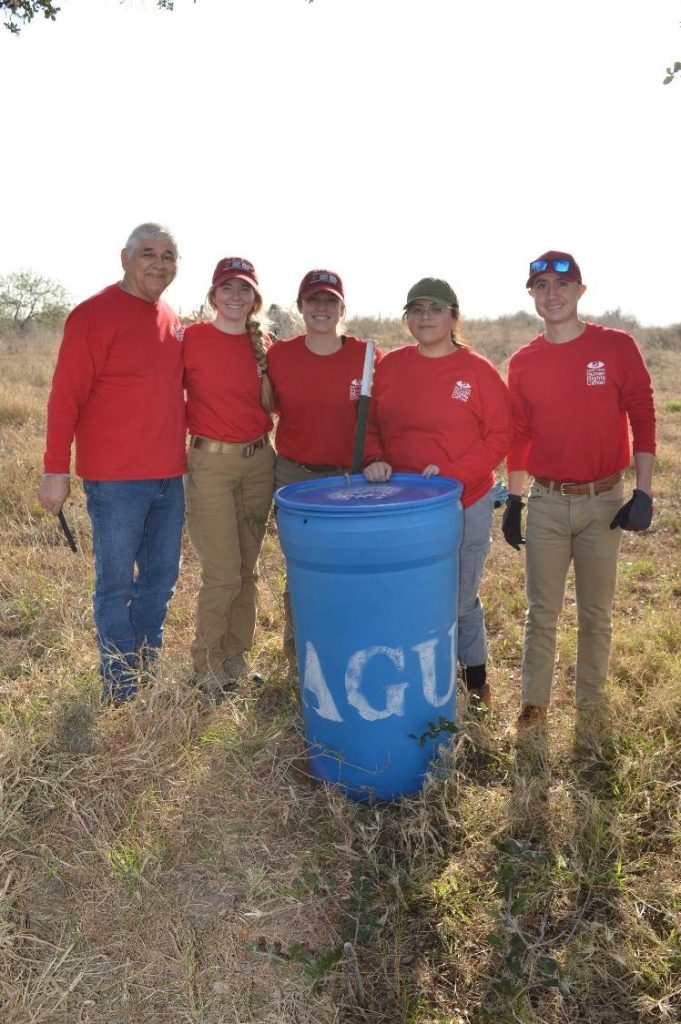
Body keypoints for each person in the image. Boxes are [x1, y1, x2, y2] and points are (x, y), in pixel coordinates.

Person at [503, 250, 656, 729]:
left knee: (596, 610)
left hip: (605, 501)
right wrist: (514, 498)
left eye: (562, 285)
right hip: (547, 500)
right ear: (531, 295)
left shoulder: (616, 346)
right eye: (541, 285)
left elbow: (643, 414)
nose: (553, 294)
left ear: (580, 291)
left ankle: (591, 703)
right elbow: (519, 434)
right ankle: (534, 704)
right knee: (541, 610)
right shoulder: (524, 362)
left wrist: (644, 492)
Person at [38, 223, 186, 706]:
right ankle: (120, 686)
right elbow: (65, 398)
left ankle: (145, 666)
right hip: (116, 481)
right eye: (148, 253)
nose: (159, 263)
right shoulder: (93, 315)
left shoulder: (170, 318)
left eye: (169, 254)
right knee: (116, 583)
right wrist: (55, 468)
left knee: (161, 579)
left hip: (169, 476)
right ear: (124, 257)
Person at [362, 277, 513, 710]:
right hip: (402, 508)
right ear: (407, 318)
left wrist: (452, 475)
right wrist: (374, 456)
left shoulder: (477, 371)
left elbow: (501, 435)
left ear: (453, 316)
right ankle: (421, 686)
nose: (425, 317)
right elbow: (371, 423)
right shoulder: (391, 366)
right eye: (417, 309)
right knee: (409, 596)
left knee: (460, 597)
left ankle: (474, 686)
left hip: (464, 501)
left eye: (435, 309)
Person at [267, 269, 380, 673]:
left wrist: (373, 462)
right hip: (296, 478)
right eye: (313, 300)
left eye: (330, 300)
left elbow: (379, 418)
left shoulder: (365, 355)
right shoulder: (278, 355)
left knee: (353, 568)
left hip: (351, 479)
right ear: (299, 307)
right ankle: (301, 659)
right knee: (302, 569)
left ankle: (351, 650)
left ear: (342, 308)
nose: (321, 308)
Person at [183, 258, 275, 695]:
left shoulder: (265, 345)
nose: (236, 297)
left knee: (247, 569)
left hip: (259, 463)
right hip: (211, 463)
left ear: (255, 299)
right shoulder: (191, 340)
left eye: (244, 289)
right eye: (227, 288)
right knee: (222, 572)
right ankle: (206, 666)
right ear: (213, 295)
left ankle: (236, 657)